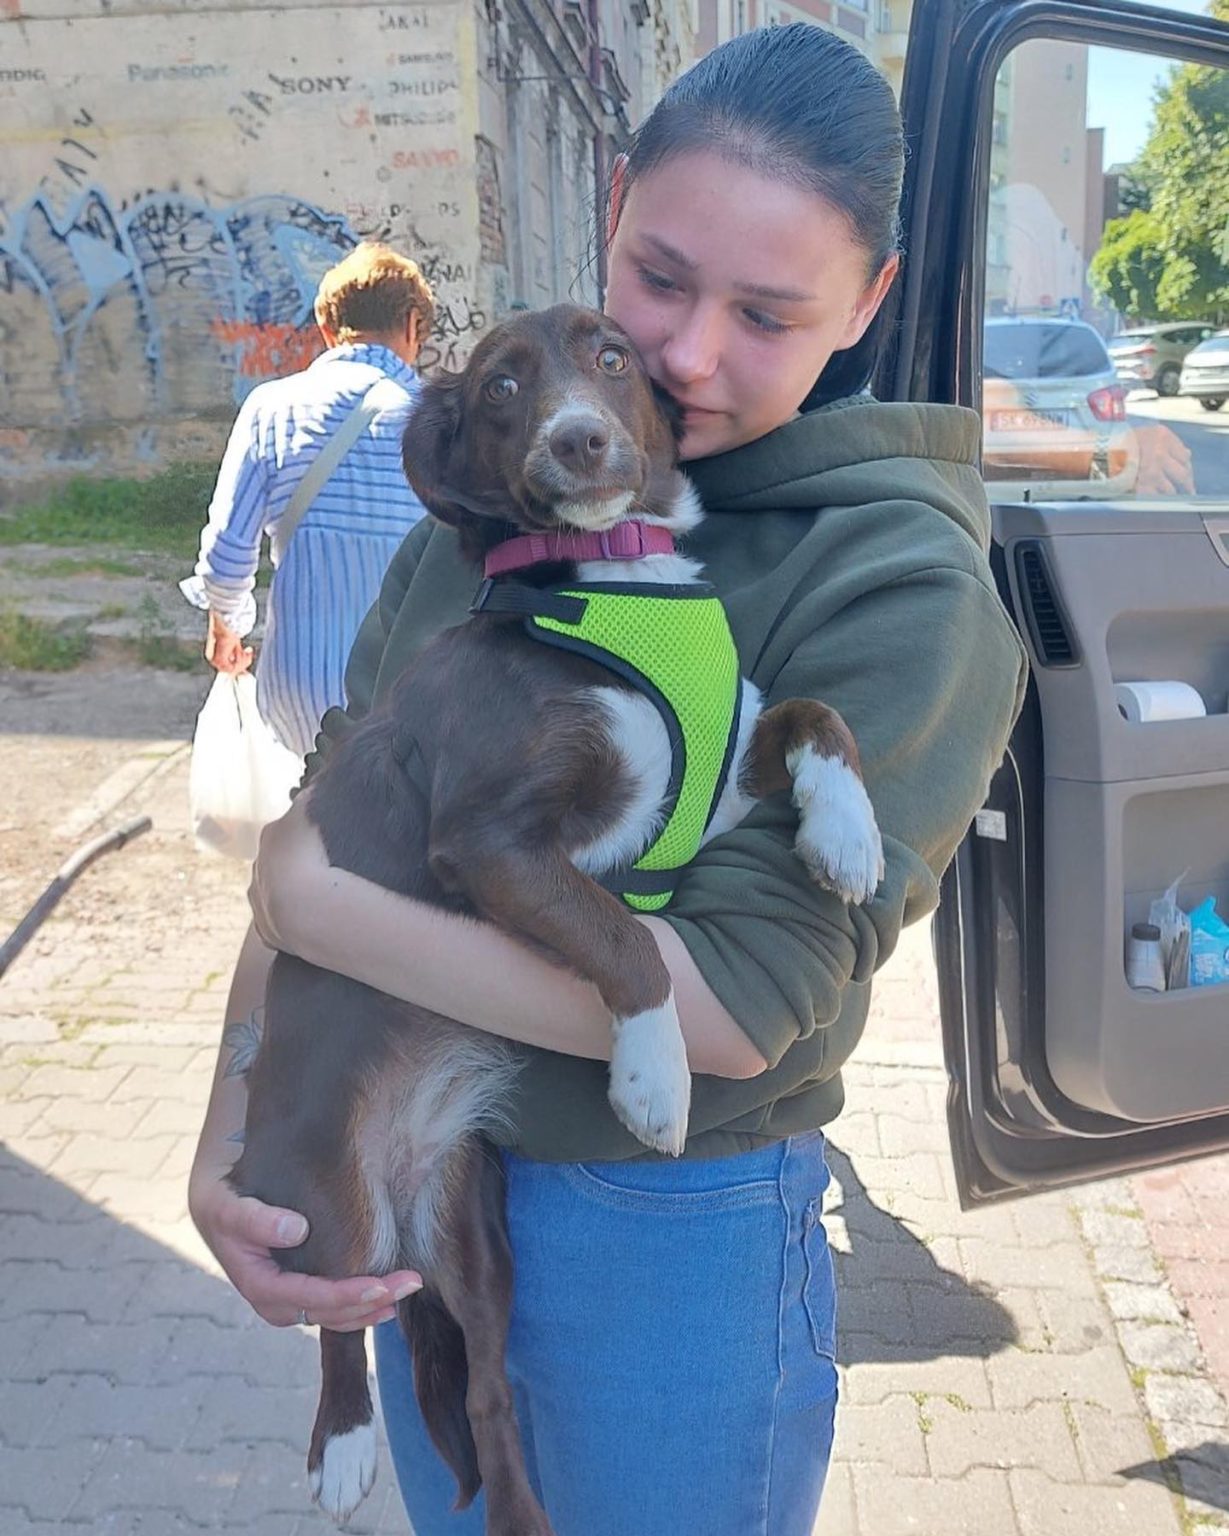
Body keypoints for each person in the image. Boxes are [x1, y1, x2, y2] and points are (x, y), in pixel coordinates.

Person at [188, 25, 1029, 1535]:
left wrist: (303, 895)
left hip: (659, 1228)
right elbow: (349, 801)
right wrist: (235, 1139)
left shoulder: (897, 572)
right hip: (424, 1175)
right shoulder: (501, 510)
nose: (690, 357)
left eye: (767, 313)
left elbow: (738, 1007)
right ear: (615, 208)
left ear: (869, 302)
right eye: (659, 279)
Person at [180, 242, 434, 758]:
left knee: (313, 820)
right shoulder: (441, 423)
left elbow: (227, 558)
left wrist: (227, 626)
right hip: (414, 693)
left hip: (300, 695)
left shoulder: (269, 409)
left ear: (325, 325)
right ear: (412, 326)